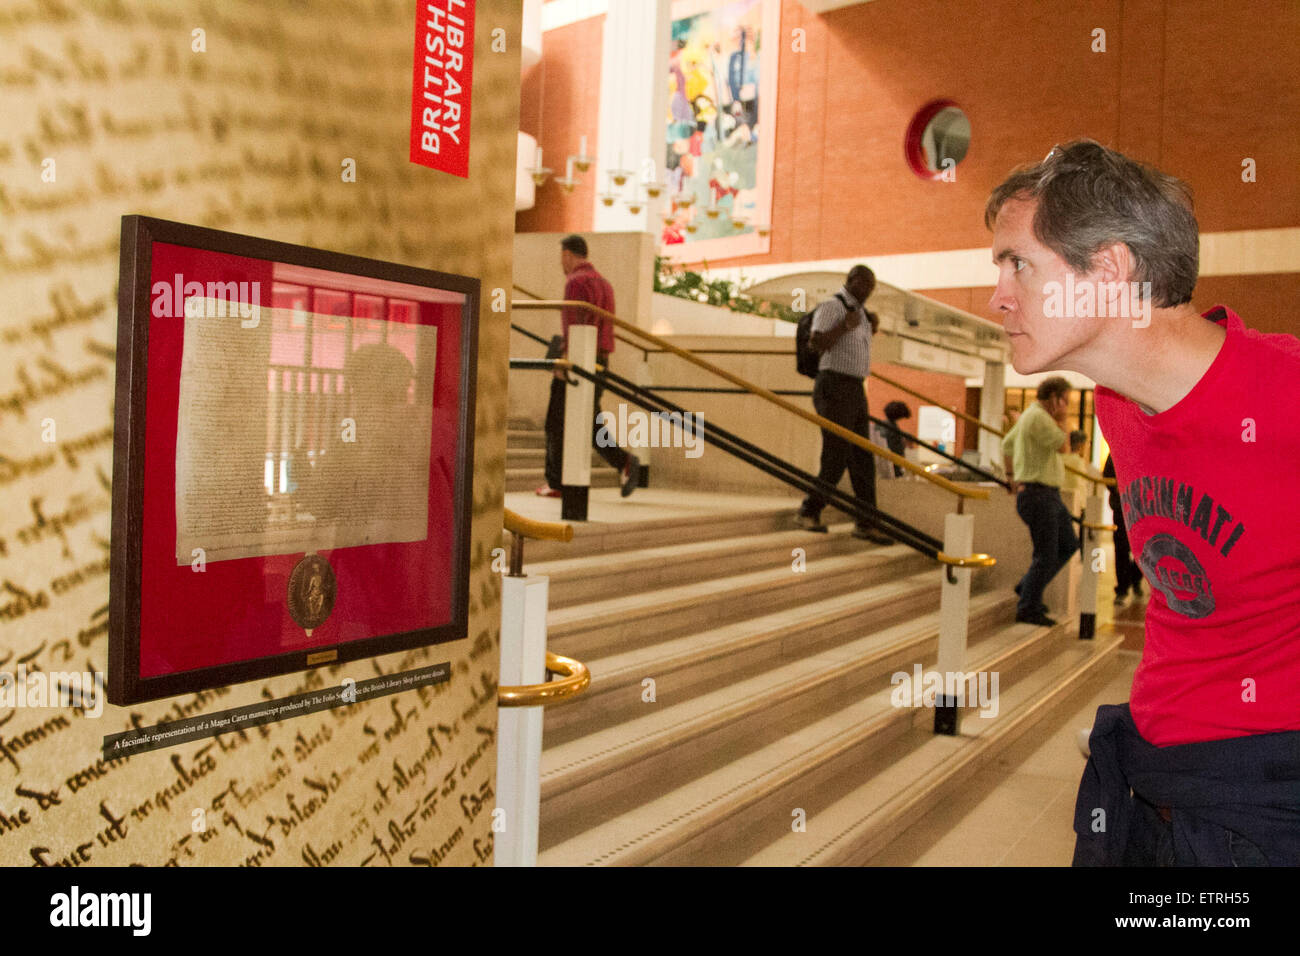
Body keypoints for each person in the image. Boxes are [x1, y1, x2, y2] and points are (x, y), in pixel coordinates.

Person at [986, 139, 1300, 865]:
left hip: (1258, 810)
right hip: (1148, 792)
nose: (998, 295)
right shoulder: (1119, 403)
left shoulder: (1283, 395)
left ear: (1109, 269)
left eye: (1018, 264)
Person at [795, 265, 891, 544]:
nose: (868, 291)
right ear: (851, 281)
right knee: (836, 454)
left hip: (854, 388)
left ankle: (866, 522)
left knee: (862, 456)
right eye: (864, 285)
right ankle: (808, 511)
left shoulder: (861, 313)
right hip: (833, 385)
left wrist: (863, 326)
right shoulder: (832, 306)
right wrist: (843, 326)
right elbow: (816, 343)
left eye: (872, 287)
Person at [537, 235, 638, 499]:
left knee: (555, 421)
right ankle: (623, 462)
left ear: (568, 254)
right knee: (590, 420)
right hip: (600, 360)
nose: (562, 263)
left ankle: (556, 482)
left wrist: (565, 359)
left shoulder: (575, 282)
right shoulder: (605, 284)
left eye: (562, 256)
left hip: (577, 359)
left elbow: (575, 323)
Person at [1001, 376, 1078, 626]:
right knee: (1047, 553)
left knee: (1067, 544)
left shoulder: (1029, 415)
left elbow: (1007, 444)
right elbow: (1064, 447)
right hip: (1040, 494)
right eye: (1064, 400)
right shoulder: (1040, 418)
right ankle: (1027, 607)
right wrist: (1063, 418)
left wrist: (1011, 475)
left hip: (1043, 494)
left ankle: (1027, 589)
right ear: (1054, 398)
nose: (1067, 405)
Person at [1102, 453, 1142, 603]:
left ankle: (1133, 578)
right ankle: (1123, 587)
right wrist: (1117, 487)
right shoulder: (1116, 448)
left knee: (1145, 548)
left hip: (1143, 508)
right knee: (1121, 547)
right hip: (1122, 506)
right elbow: (1108, 475)